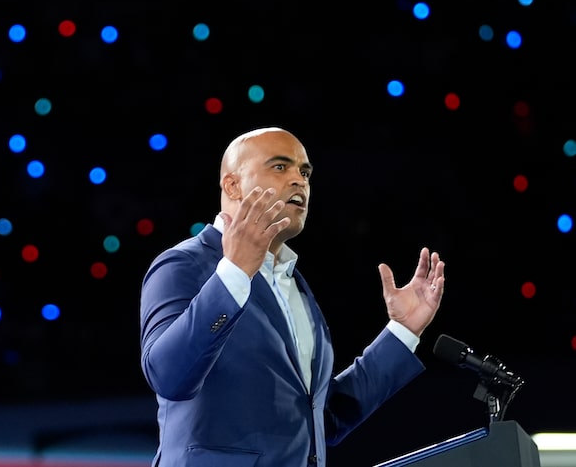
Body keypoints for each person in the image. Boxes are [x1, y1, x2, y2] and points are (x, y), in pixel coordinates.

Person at [139, 126, 446, 467]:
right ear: (232, 184)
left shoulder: (293, 283)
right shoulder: (184, 265)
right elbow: (168, 376)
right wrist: (233, 274)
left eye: (305, 172)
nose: (299, 180)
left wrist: (402, 332)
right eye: (280, 167)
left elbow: (319, 418)